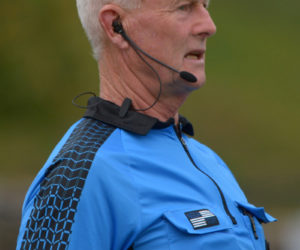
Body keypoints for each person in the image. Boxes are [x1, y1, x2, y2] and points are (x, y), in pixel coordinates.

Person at [17, 0, 276, 249]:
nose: (208, 25)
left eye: (205, 6)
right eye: (183, 7)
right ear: (115, 26)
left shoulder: (209, 160)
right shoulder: (76, 175)